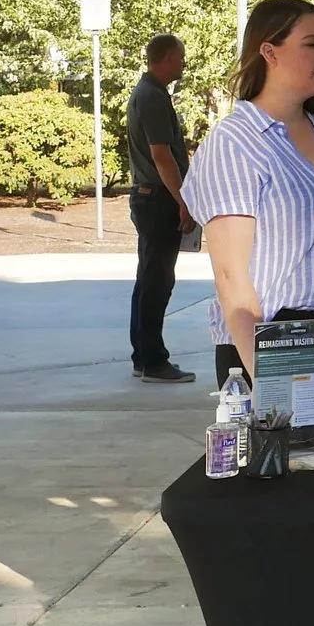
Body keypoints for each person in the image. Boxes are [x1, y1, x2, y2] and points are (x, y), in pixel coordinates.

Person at [183, 0, 314, 433]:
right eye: (311, 43)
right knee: (295, 490)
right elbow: (232, 278)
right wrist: (268, 380)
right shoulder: (236, 144)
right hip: (278, 343)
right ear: (268, 53)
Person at [123, 32, 196, 383]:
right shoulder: (151, 96)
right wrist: (184, 200)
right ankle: (153, 360)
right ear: (166, 59)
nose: (183, 63)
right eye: (180, 57)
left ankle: (144, 354)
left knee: (149, 278)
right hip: (157, 200)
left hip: (150, 196)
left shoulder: (150, 93)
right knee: (157, 280)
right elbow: (161, 155)